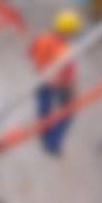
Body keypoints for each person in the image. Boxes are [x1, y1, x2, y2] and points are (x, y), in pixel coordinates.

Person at [30, 8, 82, 157]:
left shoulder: (42, 38)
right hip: (59, 83)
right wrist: (71, 87)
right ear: (69, 31)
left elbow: (32, 53)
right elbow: (68, 72)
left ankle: (44, 136)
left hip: (41, 78)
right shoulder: (65, 49)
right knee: (67, 113)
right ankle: (52, 144)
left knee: (44, 110)